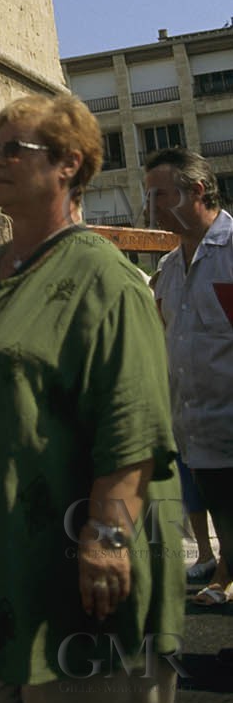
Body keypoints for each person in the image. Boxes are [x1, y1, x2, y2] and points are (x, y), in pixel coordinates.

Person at [0, 94, 184, 703]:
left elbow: (131, 421)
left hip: (69, 567)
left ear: (68, 164)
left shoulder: (107, 282)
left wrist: (104, 537)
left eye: (15, 149)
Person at [148, 148, 233, 608]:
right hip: (198, 433)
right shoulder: (169, 269)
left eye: (161, 194)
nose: (152, 206)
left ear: (196, 191)